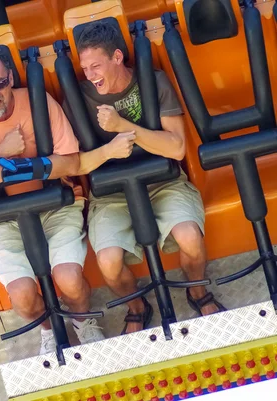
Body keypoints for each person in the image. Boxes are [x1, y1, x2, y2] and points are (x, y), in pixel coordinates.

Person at [0, 45, 105, 354]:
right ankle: (48, 329)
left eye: (0, 84)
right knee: (22, 295)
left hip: (55, 203)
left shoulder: (38, 102)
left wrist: (15, 168)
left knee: (69, 279)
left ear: (11, 78)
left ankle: (83, 321)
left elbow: (71, 163)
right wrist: (1, 154)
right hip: (4, 216)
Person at [72, 21, 226, 334]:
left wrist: (124, 129)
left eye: (96, 65)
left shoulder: (153, 81)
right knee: (109, 262)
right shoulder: (80, 97)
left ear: (117, 57)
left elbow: (177, 147)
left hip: (163, 180)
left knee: (190, 237)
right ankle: (137, 306)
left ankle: (196, 291)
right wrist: (109, 149)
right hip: (112, 193)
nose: (90, 75)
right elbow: (73, 162)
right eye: (85, 67)